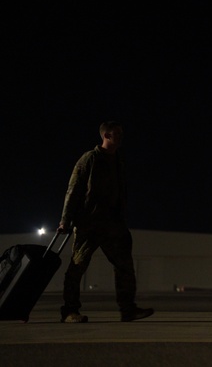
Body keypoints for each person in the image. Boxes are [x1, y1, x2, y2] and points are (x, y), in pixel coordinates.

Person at [57, 121, 154, 323]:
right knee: (77, 267)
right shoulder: (89, 159)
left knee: (125, 266)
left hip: (113, 224)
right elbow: (73, 189)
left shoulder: (118, 160)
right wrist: (65, 220)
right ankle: (69, 311)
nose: (120, 137)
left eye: (121, 133)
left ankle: (128, 310)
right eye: (116, 133)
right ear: (106, 136)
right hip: (89, 224)